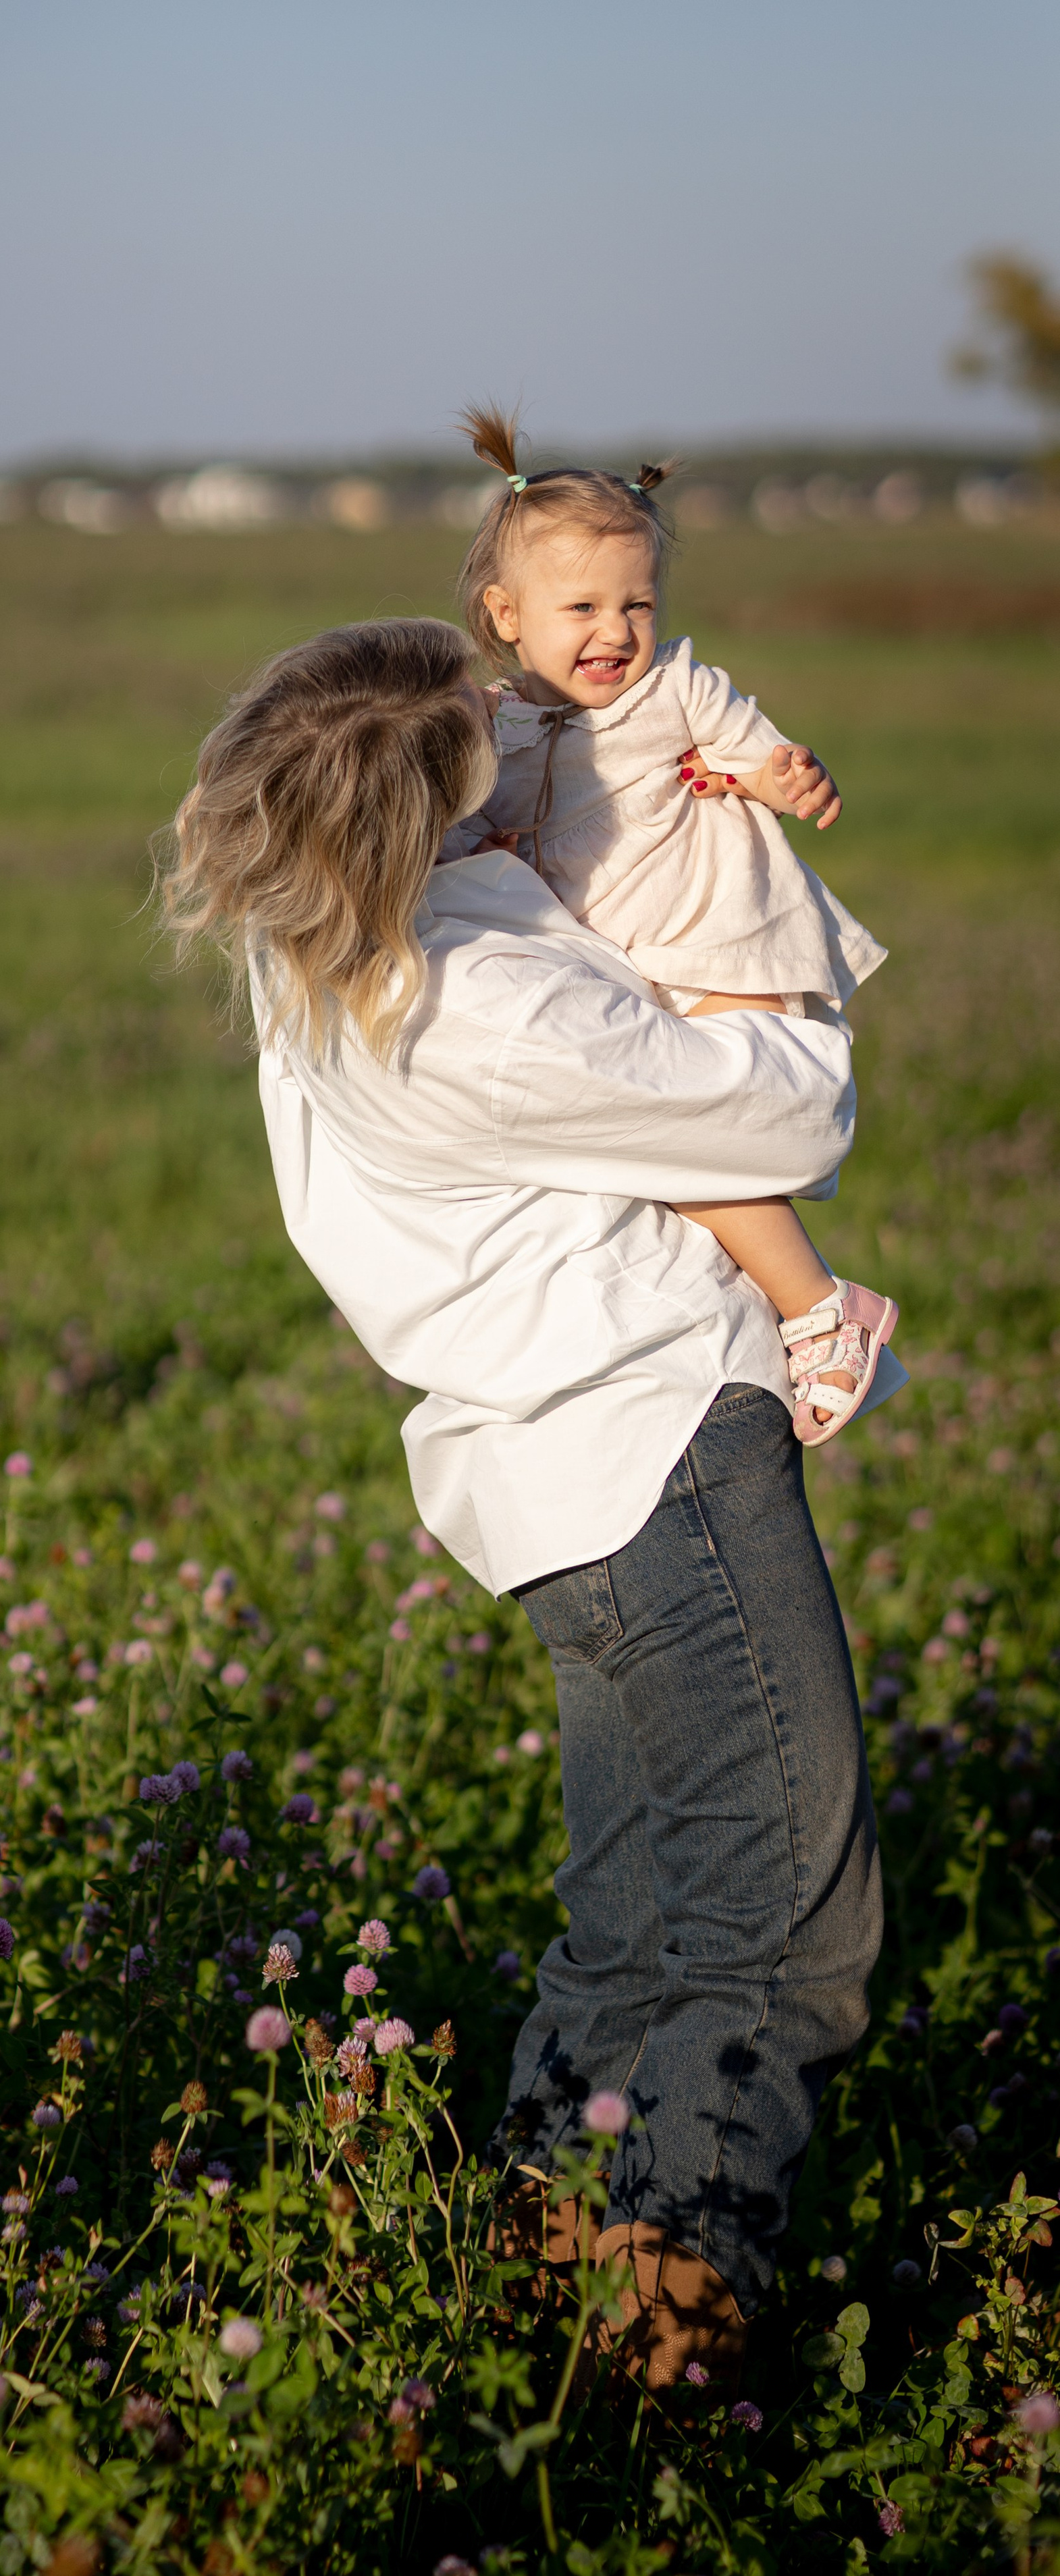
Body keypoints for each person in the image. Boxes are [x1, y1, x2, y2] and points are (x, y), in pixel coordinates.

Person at [161, 617, 885, 2388]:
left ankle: (521, 2307)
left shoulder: (314, 938)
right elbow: (784, 1120)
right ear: (447, 798)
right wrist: (729, 924)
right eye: (494, 725)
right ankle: (661, 2377)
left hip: (541, 1485)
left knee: (631, 1923)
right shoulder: (490, 988)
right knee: (783, 1936)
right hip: (659, 1459)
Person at [445, 406, 899, 1443]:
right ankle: (763, 1315)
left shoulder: (679, 690)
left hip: (713, 931)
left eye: (637, 603)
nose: (616, 632)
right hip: (618, 961)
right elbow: (474, 826)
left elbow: (756, 752)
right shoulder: (496, 724)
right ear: (506, 614)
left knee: (702, 1136)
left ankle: (823, 1312)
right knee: (662, 1149)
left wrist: (786, 779)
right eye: (584, 607)